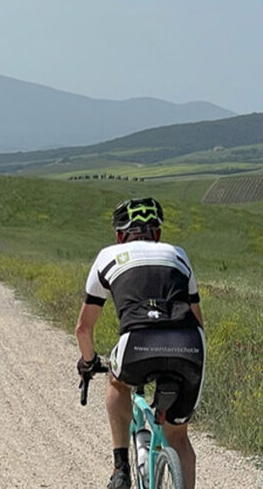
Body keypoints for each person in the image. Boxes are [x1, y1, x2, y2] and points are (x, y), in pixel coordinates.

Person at [74, 198, 205, 489]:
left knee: (117, 382)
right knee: (179, 436)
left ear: (120, 236)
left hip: (137, 341)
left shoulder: (108, 255)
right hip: (190, 344)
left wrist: (89, 362)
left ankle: (121, 469)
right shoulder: (178, 255)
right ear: (157, 233)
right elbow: (198, 320)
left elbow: (83, 328)